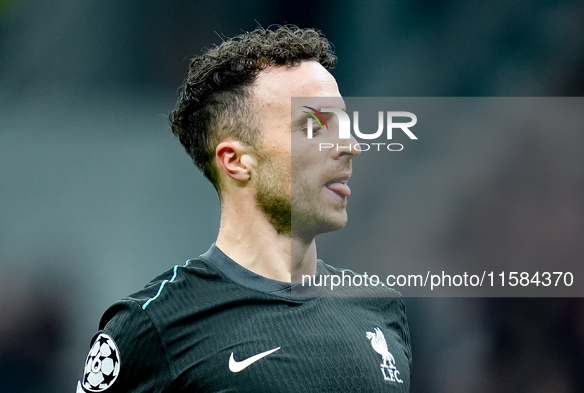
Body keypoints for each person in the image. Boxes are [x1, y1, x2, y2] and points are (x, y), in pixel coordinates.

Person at [77, 25, 411, 392]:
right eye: (315, 126)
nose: (350, 145)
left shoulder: (380, 309)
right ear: (235, 161)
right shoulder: (152, 326)